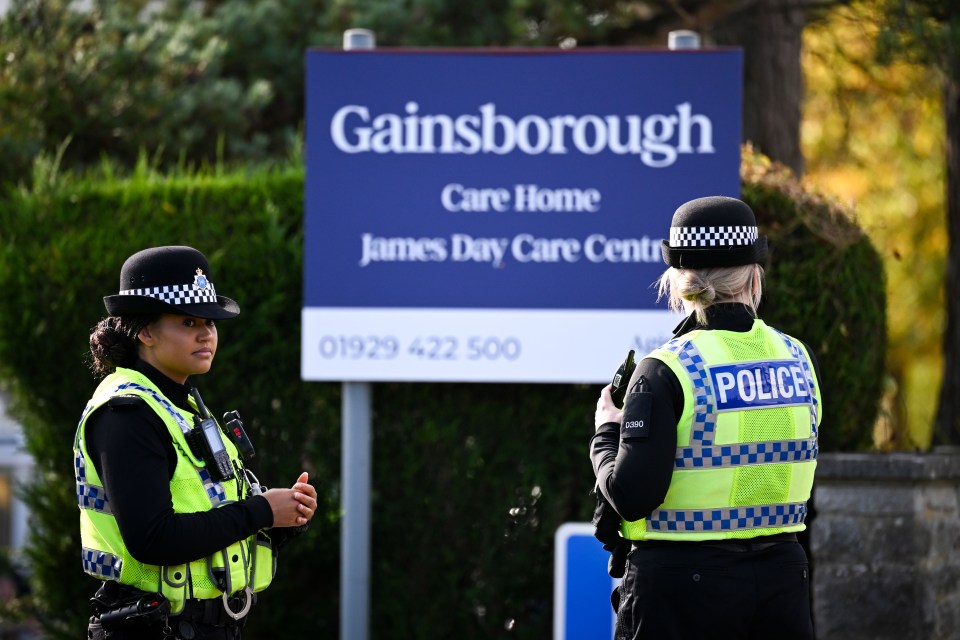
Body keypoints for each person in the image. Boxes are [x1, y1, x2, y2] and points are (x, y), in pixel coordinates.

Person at [591, 196, 822, 640]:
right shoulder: (798, 358)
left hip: (682, 593)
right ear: (755, 277)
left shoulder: (666, 368)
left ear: (678, 282)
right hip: (780, 586)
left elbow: (631, 496)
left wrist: (606, 434)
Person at [76, 246, 318, 640]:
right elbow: (153, 539)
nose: (206, 333)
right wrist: (260, 511)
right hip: (152, 630)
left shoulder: (183, 407)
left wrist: (280, 520)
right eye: (188, 321)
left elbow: (213, 520)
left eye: (210, 322)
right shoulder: (127, 414)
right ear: (145, 331)